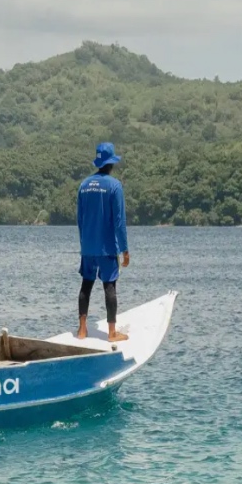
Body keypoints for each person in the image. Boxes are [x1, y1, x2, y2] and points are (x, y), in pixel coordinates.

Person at [76, 142, 130, 342]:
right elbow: (119, 222)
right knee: (109, 287)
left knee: (86, 285)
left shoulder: (84, 185)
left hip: (87, 247)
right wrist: (124, 249)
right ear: (111, 164)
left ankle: (82, 330)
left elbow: (80, 219)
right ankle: (112, 333)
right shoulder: (114, 186)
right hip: (106, 247)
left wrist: (84, 244)